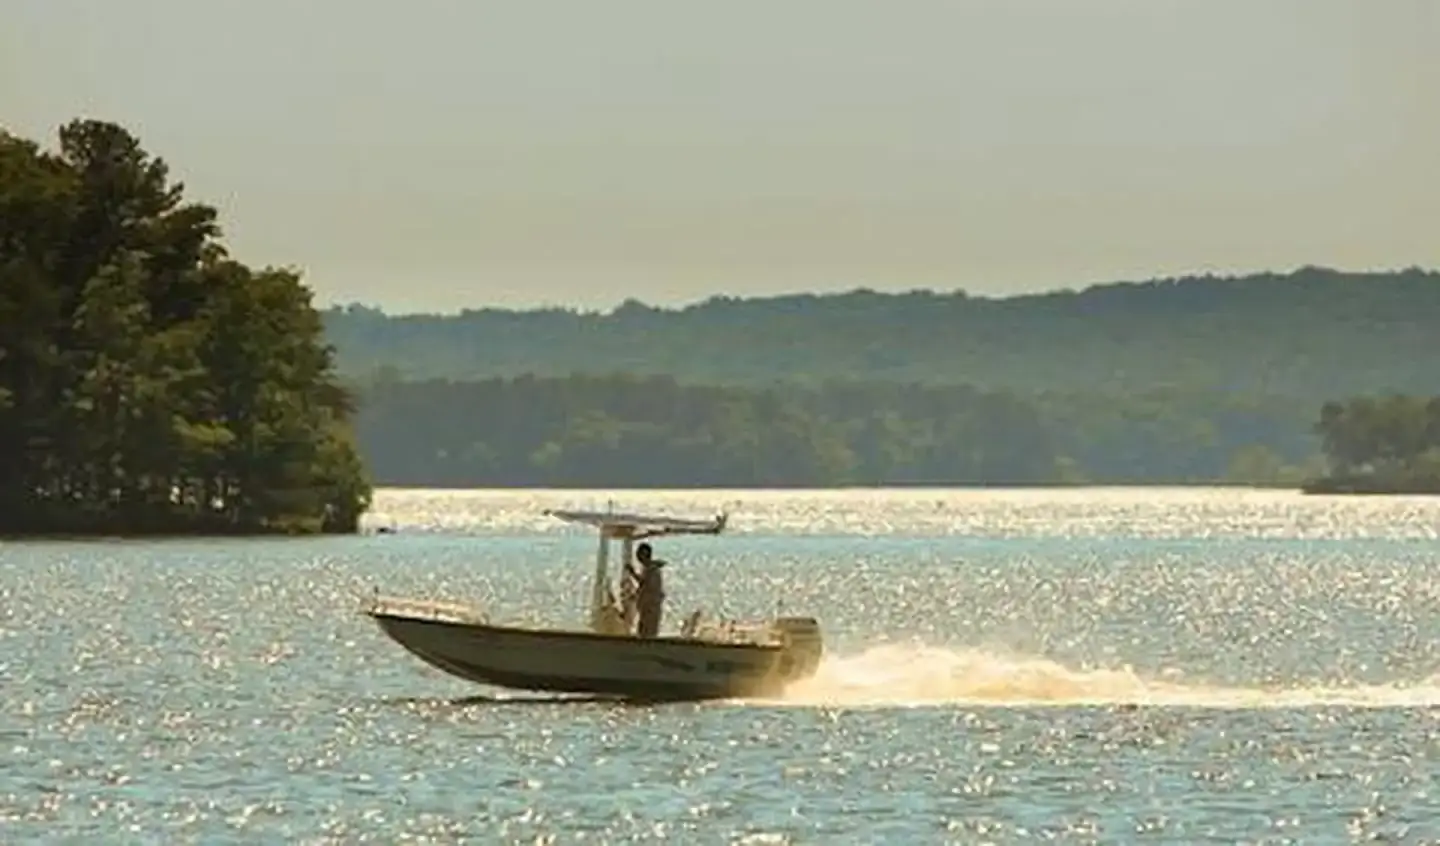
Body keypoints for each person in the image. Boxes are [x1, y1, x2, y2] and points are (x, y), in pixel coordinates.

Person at [632, 542, 667, 637]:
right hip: (645, 608)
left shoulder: (652, 570)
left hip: (650, 609)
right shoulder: (648, 569)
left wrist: (633, 573)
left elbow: (646, 585)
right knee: (643, 631)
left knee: (648, 632)